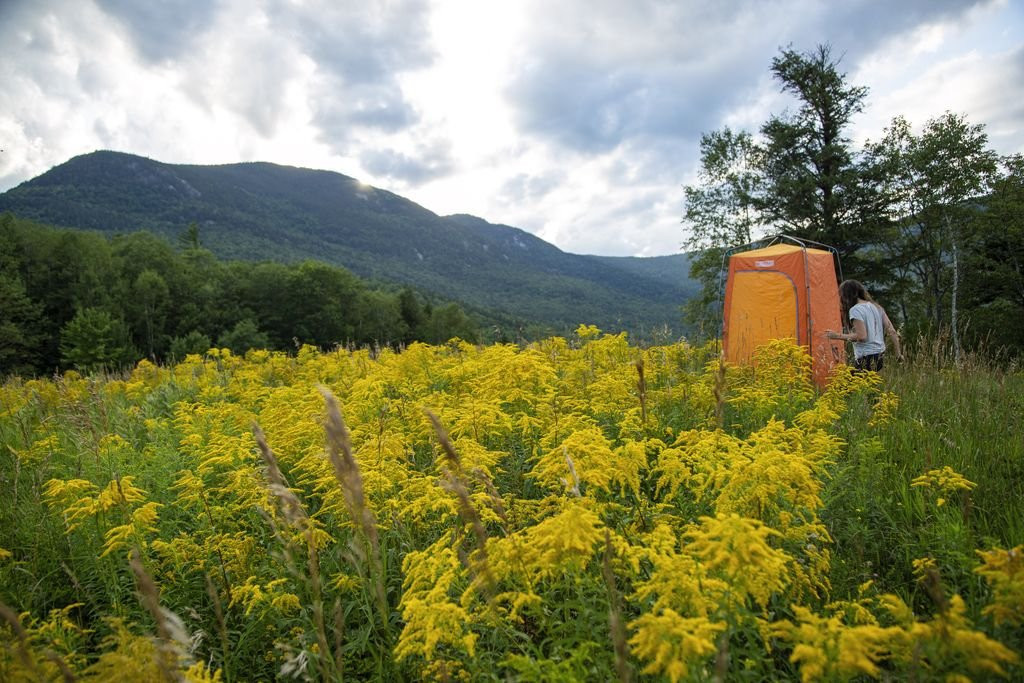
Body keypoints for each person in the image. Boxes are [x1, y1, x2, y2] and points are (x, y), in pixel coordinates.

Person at [825, 280, 902, 371]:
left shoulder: (855, 310)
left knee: (847, 384)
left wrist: (836, 336)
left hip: (866, 358)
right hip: (880, 356)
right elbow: (892, 331)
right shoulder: (876, 307)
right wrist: (898, 354)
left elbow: (861, 336)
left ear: (846, 295)